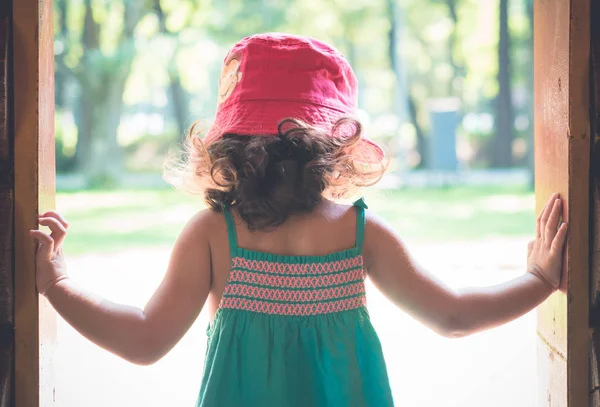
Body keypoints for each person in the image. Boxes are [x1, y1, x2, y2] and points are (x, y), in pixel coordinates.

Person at [30, 33, 567, 407]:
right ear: (333, 148)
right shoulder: (361, 233)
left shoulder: (214, 235)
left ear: (231, 146)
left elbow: (144, 340)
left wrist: (56, 283)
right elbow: (453, 315)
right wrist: (539, 279)